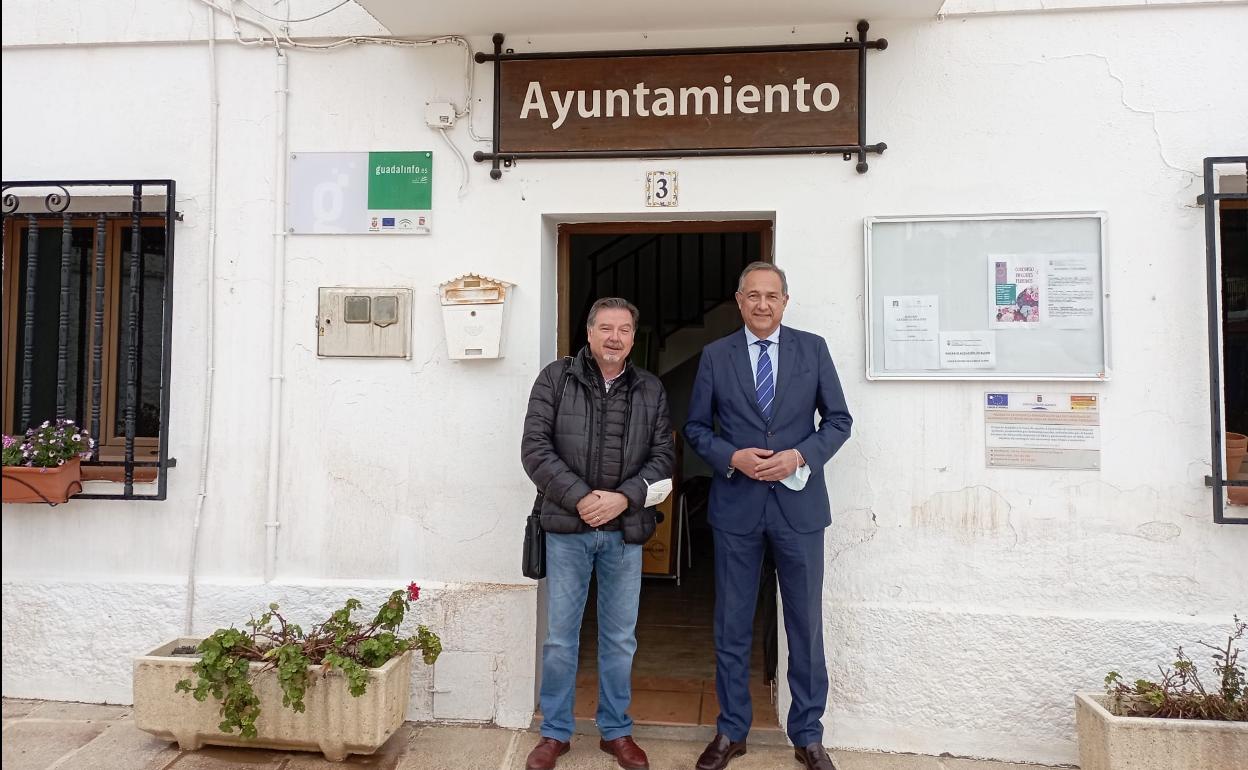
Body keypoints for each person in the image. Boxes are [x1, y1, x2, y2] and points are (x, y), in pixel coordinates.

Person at [684, 263, 853, 770]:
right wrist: (731, 457)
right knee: (732, 625)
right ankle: (731, 729)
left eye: (771, 296)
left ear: (785, 300)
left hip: (799, 509)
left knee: (804, 625)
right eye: (752, 296)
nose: (762, 305)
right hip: (737, 509)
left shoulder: (813, 349)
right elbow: (695, 428)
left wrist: (800, 455)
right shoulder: (716, 355)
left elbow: (839, 420)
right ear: (738, 301)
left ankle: (808, 734)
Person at [520, 297, 675, 770]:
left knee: (619, 638)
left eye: (624, 329)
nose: (614, 337)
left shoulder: (650, 388)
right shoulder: (556, 378)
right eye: (605, 327)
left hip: (625, 533)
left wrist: (623, 497)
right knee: (561, 638)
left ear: (633, 337)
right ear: (588, 333)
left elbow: (665, 459)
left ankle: (616, 731)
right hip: (568, 528)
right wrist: (583, 497)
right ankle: (556, 732)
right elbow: (535, 449)